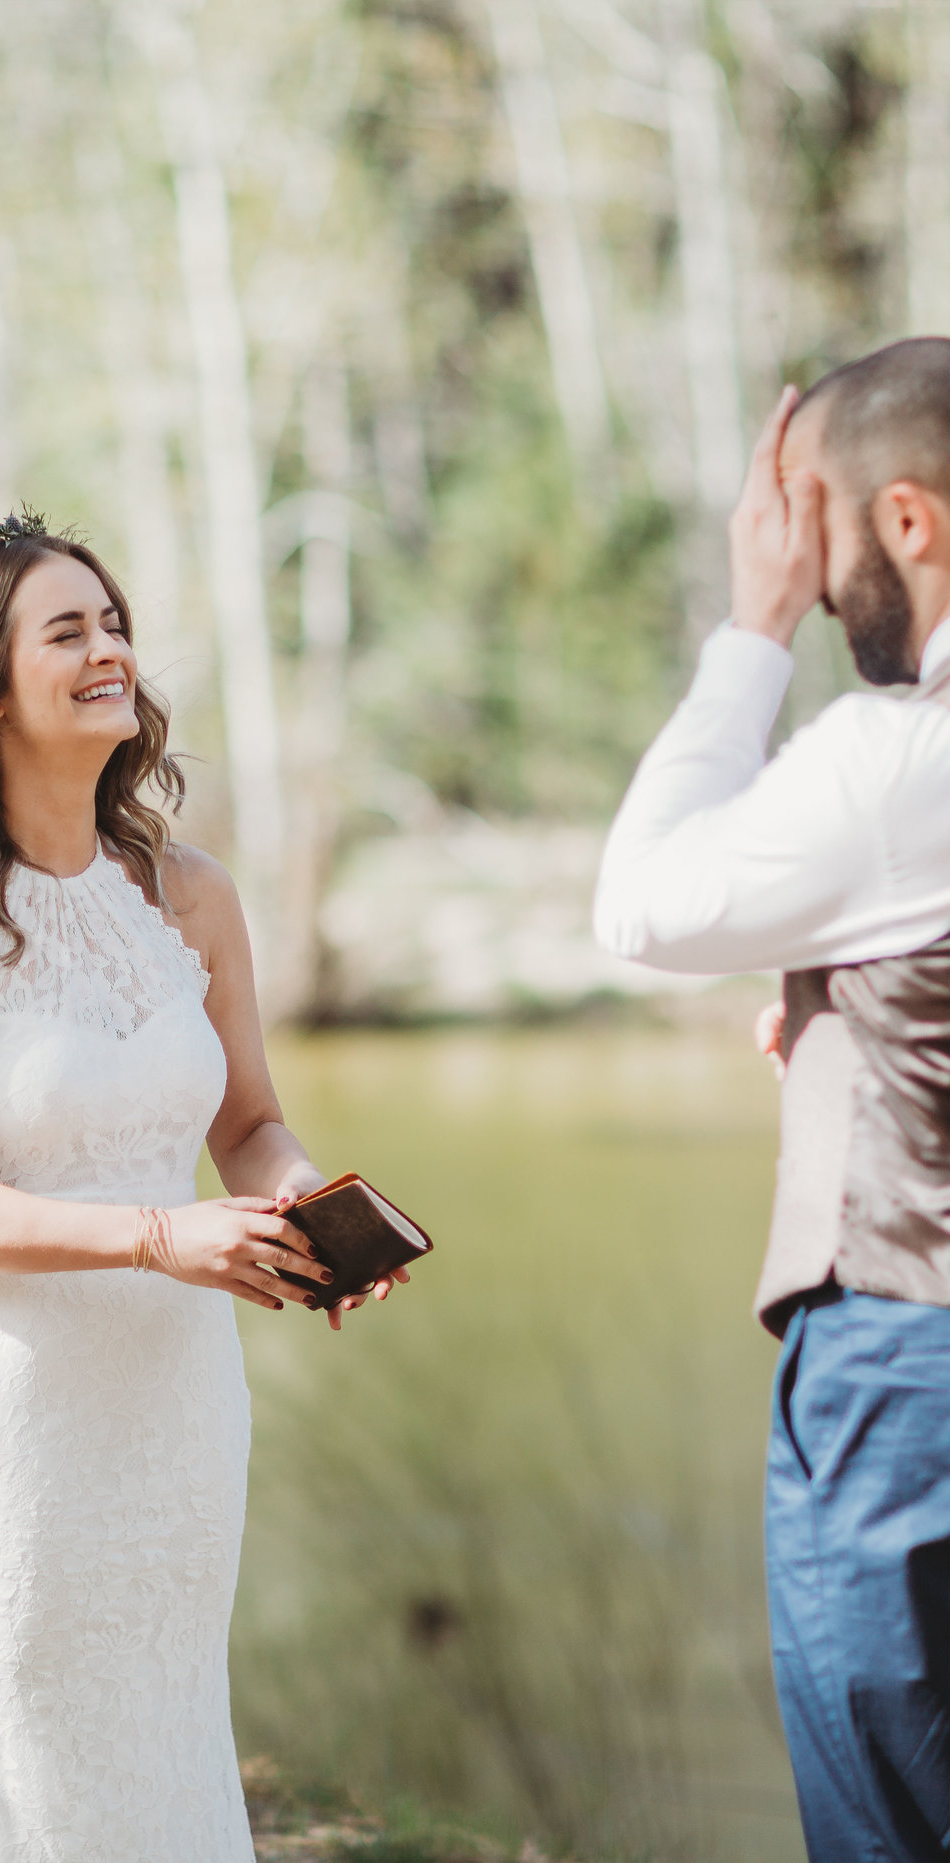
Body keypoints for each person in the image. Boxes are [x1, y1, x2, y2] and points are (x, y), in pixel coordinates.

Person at [0, 515, 400, 1860]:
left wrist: (314, 1210)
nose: (109, 649)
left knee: (162, 1751)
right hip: (17, 1431)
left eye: (114, 622)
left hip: (180, 1417)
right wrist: (158, 1233)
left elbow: (251, 1120)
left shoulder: (192, 896)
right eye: (67, 629)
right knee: (34, 1774)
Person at [594, 338, 950, 1862]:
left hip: (906, 1356)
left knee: (891, 1815)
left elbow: (647, 906)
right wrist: (847, 1027)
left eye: (809, 520)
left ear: (910, 523)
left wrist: (751, 629)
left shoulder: (890, 758)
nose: (801, 558)